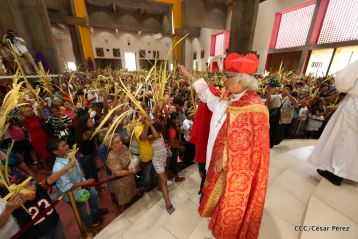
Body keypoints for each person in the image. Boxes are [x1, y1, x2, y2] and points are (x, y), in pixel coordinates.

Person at [178, 53, 270, 239]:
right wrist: (190, 77)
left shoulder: (255, 107)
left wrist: (226, 158)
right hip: (215, 157)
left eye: (228, 77)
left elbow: (251, 149)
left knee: (228, 199)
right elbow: (207, 97)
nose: (224, 80)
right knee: (216, 196)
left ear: (242, 81)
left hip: (232, 168)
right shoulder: (228, 97)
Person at [308, 60, 358, 186]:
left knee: (344, 138)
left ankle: (336, 173)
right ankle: (350, 172)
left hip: (355, 104)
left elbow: (343, 81)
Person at [49, 138, 108, 228]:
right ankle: (89, 223)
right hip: (71, 193)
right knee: (81, 208)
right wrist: (86, 182)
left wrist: (84, 180)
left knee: (94, 195)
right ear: (55, 152)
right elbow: (68, 187)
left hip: (81, 183)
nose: (68, 146)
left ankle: (95, 212)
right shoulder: (58, 168)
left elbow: (78, 169)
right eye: (63, 146)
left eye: (66, 144)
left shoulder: (70, 155)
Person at [105, 135, 139, 212]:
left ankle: (131, 200)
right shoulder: (112, 157)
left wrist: (134, 163)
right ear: (112, 146)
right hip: (120, 182)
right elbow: (118, 172)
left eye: (120, 140)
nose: (121, 142)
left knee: (131, 191)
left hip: (130, 177)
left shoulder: (124, 147)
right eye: (117, 142)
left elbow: (130, 156)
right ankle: (122, 210)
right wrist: (132, 171)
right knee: (122, 197)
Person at [151, 122, 175, 214]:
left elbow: (161, 144)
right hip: (157, 162)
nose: (160, 133)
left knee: (162, 179)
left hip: (163, 160)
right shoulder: (151, 138)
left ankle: (159, 187)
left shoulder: (160, 135)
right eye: (159, 131)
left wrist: (166, 148)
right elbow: (156, 136)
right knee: (164, 181)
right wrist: (150, 125)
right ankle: (168, 204)